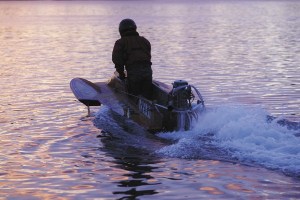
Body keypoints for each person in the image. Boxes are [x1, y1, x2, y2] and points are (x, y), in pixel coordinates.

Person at [112, 18, 153, 100]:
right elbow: (148, 56)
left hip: (134, 73)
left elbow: (117, 60)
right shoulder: (145, 41)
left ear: (121, 30)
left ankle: (134, 109)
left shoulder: (120, 42)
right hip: (148, 72)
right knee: (147, 96)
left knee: (134, 97)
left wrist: (122, 75)